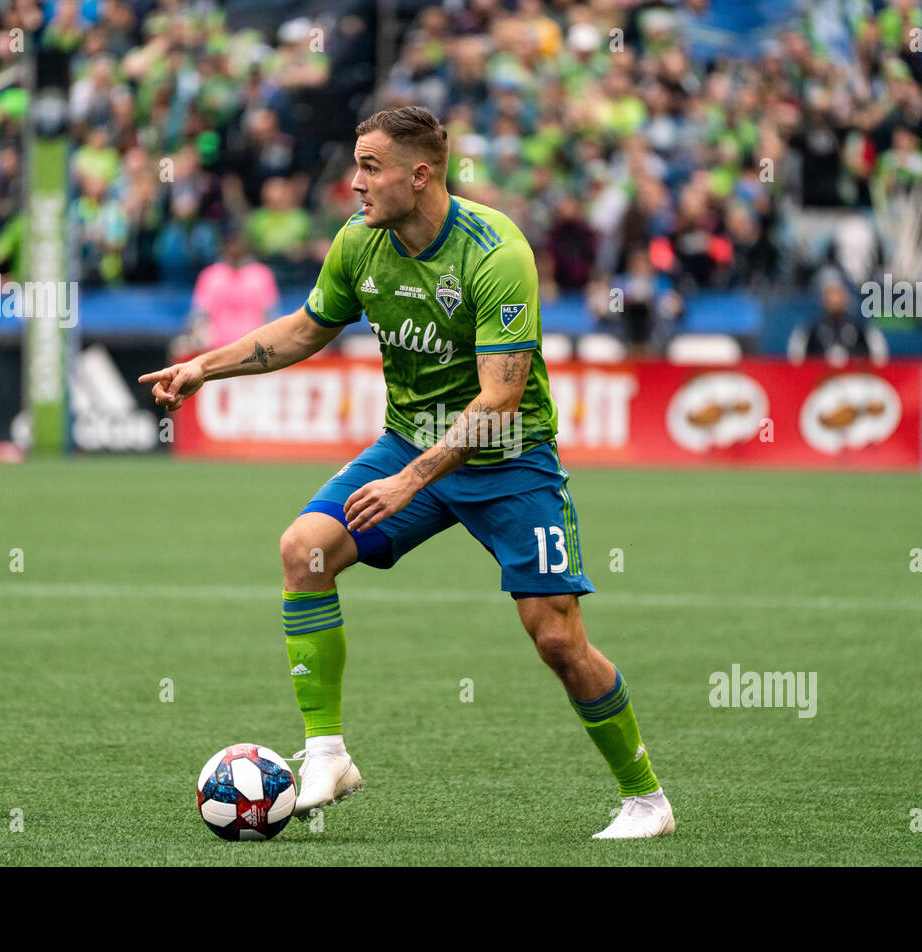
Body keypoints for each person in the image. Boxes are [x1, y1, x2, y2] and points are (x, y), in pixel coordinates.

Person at [140, 106, 673, 840]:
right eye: (356, 166)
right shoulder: (360, 244)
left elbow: (502, 397)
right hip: (408, 445)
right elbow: (305, 326)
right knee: (305, 549)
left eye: (369, 167)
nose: (355, 183)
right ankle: (328, 754)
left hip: (509, 459)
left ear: (419, 175)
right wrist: (207, 365)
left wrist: (410, 481)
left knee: (556, 638)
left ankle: (646, 799)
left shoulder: (496, 252)